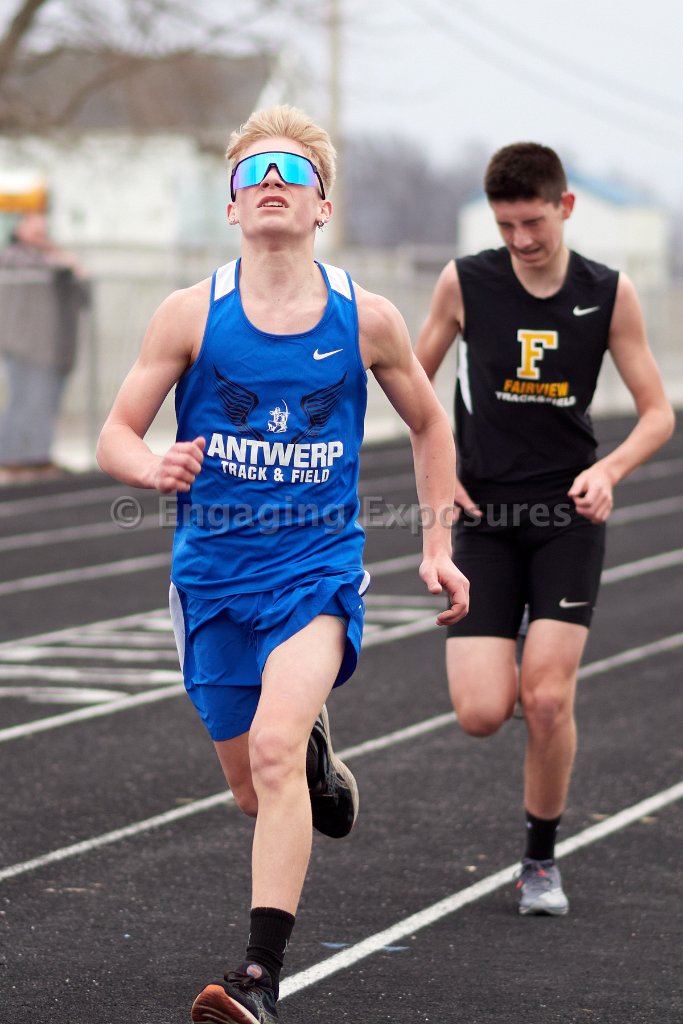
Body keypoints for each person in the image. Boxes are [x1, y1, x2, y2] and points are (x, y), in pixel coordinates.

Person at [96, 104, 469, 1023]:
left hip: (314, 572)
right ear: (230, 205)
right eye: (253, 172)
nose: (272, 181)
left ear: (321, 206)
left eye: (293, 172)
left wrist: (436, 546)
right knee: (251, 789)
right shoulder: (190, 313)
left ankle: (259, 979)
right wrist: (150, 466)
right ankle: (315, 761)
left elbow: (430, 424)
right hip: (213, 578)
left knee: (269, 753)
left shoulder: (365, 318)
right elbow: (115, 433)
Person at [415, 142, 674, 917]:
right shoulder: (464, 282)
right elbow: (407, 384)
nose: (520, 239)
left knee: (548, 700)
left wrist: (609, 471)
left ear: (564, 206)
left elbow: (657, 413)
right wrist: (442, 469)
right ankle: (522, 673)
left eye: (532, 222)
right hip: (484, 518)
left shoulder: (607, 292)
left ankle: (538, 861)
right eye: (505, 226)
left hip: (567, 515)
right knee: (480, 712)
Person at [0, 212, 89, 483]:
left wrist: (69, 263)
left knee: (45, 407)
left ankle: (38, 458)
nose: (41, 233)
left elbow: (83, 293)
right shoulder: (14, 258)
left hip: (55, 350)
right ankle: (12, 460)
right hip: (26, 348)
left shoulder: (55, 260)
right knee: (25, 405)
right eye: (33, 226)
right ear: (19, 229)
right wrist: (61, 258)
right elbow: (53, 268)